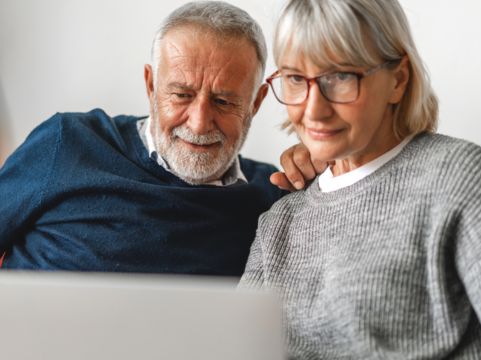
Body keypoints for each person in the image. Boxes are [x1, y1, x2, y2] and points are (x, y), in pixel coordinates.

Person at [240, 0, 481, 357]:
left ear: (398, 79)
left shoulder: (458, 176)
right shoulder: (279, 223)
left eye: (340, 77)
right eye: (294, 79)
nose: (314, 109)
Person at [0, 1, 310, 275]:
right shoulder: (68, 143)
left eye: (223, 102)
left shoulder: (273, 197)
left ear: (255, 103)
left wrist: (328, 174)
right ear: (151, 86)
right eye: (181, 94)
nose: (200, 123)